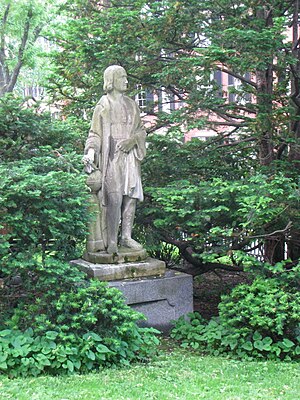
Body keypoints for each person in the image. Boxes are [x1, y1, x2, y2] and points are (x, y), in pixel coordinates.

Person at [83, 65, 146, 254]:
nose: (126, 81)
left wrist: (133, 141)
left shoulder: (131, 105)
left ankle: (126, 237)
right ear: (111, 80)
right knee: (114, 198)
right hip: (111, 158)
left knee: (131, 198)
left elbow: (141, 130)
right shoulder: (103, 106)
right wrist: (91, 153)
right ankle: (111, 240)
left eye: (126, 77)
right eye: (122, 77)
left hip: (130, 156)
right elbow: (94, 134)